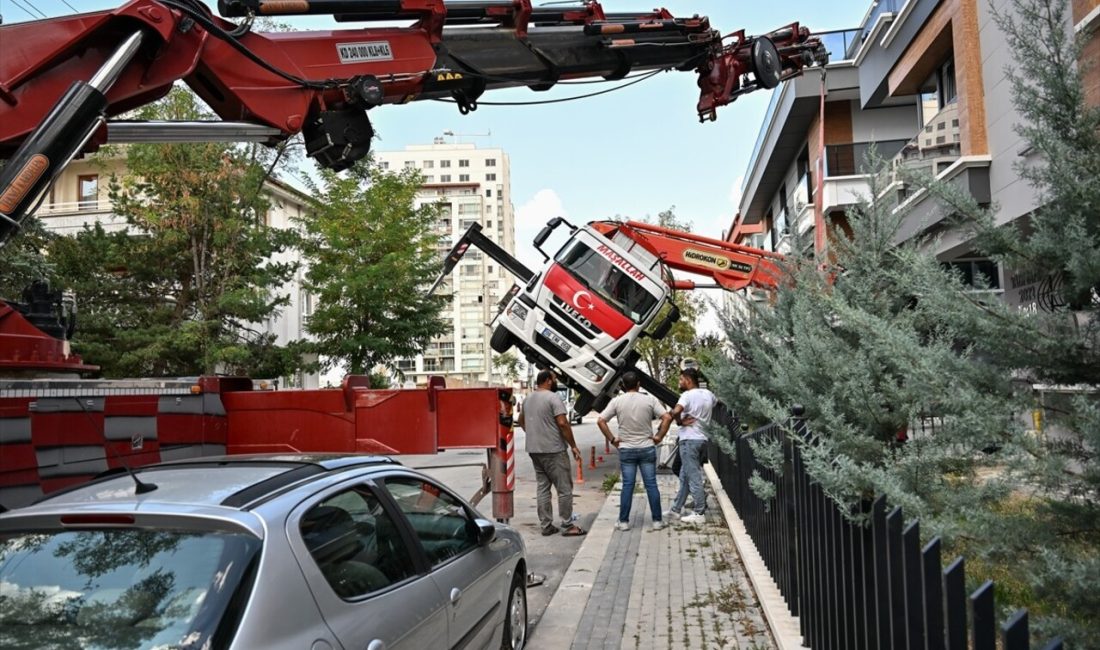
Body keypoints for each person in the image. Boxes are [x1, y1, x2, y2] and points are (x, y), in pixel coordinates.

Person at [517, 370, 586, 537]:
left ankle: (546, 525)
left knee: (542, 488)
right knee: (564, 488)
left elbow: (520, 421)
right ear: (548, 381)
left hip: (535, 450)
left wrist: (534, 434)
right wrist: (573, 446)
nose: (555, 382)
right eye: (554, 379)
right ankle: (567, 525)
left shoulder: (528, 399)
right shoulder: (553, 398)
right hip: (554, 450)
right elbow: (562, 423)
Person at [597, 371, 667, 531]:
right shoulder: (649, 400)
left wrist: (613, 439)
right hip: (647, 447)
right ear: (638, 384)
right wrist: (659, 436)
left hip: (626, 449)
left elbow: (601, 420)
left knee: (628, 485)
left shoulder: (617, 401)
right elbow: (667, 417)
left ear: (622, 386)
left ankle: (623, 522)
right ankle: (657, 521)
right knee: (651, 484)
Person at [655, 367, 717, 525]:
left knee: (693, 476)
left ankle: (699, 512)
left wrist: (680, 421)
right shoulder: (708, 394)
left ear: (688, 380)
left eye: (681, 379)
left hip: (689, 440)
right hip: (702, 439)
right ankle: (676, 509)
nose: (679, 382)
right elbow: (717, 404)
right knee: (684, 476)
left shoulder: (686, 395)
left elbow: (674, 412)